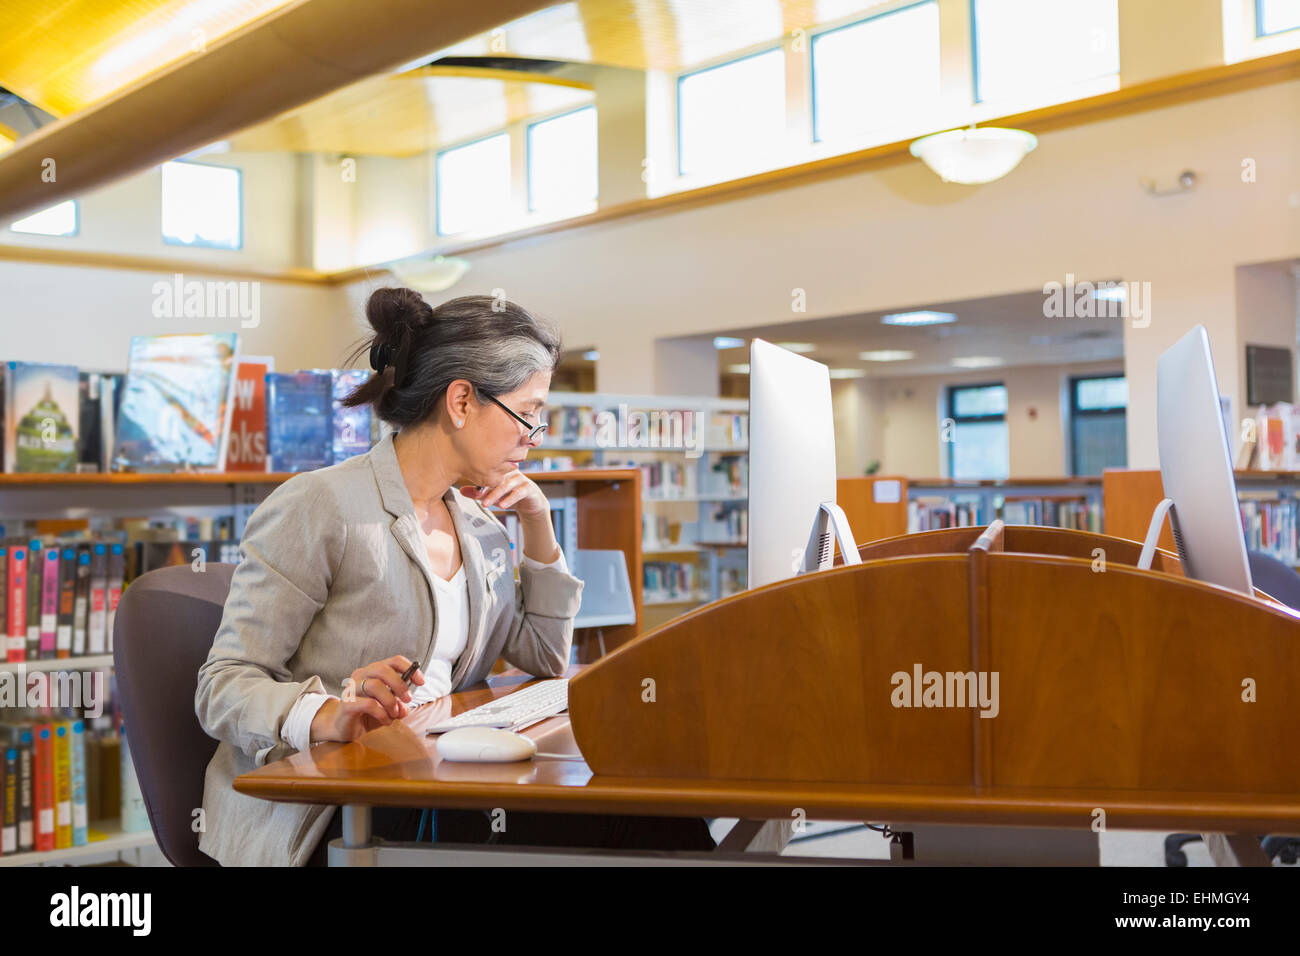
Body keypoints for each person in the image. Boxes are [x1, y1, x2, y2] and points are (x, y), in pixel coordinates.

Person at [194, 288, 714, 866]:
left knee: (650, 812)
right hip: (332, 809)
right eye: (528, 410)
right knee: (625, 823)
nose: (534, 435)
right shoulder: (322, 505)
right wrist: (327, 714)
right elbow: (223, 685)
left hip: (432, 779)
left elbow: (543, 656)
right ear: (462, 401)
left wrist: (538, 526)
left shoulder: (480, 525)